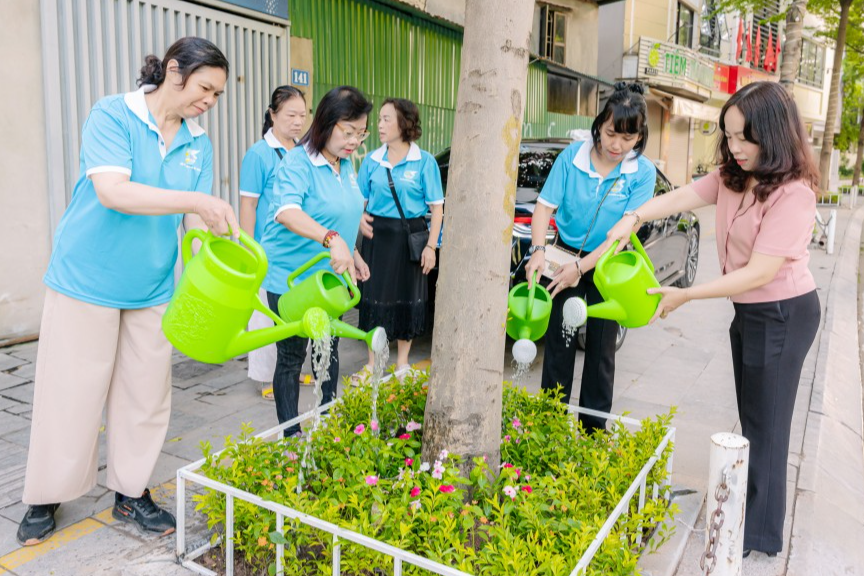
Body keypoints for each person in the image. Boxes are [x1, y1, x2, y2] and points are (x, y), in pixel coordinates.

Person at [17, 37, 234, 546]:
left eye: (217, 94)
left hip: (152, 285)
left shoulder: (196, 142)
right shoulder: (113, 114)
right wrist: (199, 200)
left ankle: (131, 493)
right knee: (70, 392)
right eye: (204, 87)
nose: (209, 100)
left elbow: (191, 224)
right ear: (174, 72)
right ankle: (46, 495)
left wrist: (211, 264)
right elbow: (112, 191)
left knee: (145, 396)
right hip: (86, 278)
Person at [606, 81, 820, 558]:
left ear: (775, 134)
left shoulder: (794, 194)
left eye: (745, 137)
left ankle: (758, 535)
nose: (736, 147)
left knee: (768, 425)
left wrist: (687, 294)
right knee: (753, 419)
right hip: (749, 310)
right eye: (729, 136)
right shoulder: (734, 174)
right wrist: (634, 217)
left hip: (783, 313)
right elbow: (682, 196)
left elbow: (761, 271)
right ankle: (749, 517)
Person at [523, 82, 656, 434]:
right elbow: (543, 207)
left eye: (628, 139)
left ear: (640, 136)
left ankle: (592, 433)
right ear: (600, 123)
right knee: (560, 343)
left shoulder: (642, 173)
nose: (617, 145)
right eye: (612, 133)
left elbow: (622, 235)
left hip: (608, 266)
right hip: (563, 255)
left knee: (601, 351)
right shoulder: (572, 157)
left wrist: (580, 269)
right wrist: (537, 251)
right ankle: (548, 428)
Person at [260, 86, 372, 437]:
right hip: (291, 279)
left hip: (329, 279)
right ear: (326, 123)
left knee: (329, 348)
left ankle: (327, 425)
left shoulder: (344, 163)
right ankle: (290, 439)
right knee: (292, 357)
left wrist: (352, 253)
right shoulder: (298, 162)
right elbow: (286, 211)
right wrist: (331, 239)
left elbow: (341, 212)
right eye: (348, 131)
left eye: (361, 133)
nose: (355, 140)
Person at [355, 98, 444, 379]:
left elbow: (437, 208)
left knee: (408, 297)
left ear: (404, 123)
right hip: (376, 238)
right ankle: (372, 362)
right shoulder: (372, 160)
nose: (379, 125)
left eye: (386, 119)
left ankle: (402, 362)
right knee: (374, 298)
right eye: (379, 119)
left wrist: (431, 246)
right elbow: (357, 200)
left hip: (410, 238)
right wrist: (358, 218)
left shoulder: (425, 162)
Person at [239, 86, 307, 399]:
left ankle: (291, 369)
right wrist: (249, 249)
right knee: (265, 315)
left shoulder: (301, 151)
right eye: (290, 115)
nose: (298, 121)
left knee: (290, 312)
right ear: (273, 115)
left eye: (303, 115)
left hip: (295, 248)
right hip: (266, 249)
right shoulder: (259, 153)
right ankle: (266, 379)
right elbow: (249, 205)